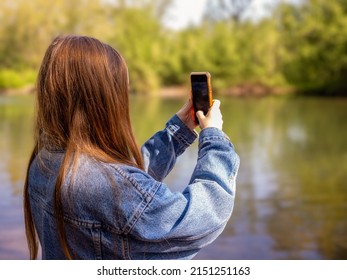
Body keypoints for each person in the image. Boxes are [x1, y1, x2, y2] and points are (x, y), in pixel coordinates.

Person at [23, 35, 240, 260]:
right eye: (120, 90)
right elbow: (201, 219)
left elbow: (126, 184)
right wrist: (214, 137)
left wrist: (177, 132)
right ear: (102, 100)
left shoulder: (43, 161)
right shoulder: (107, 185)